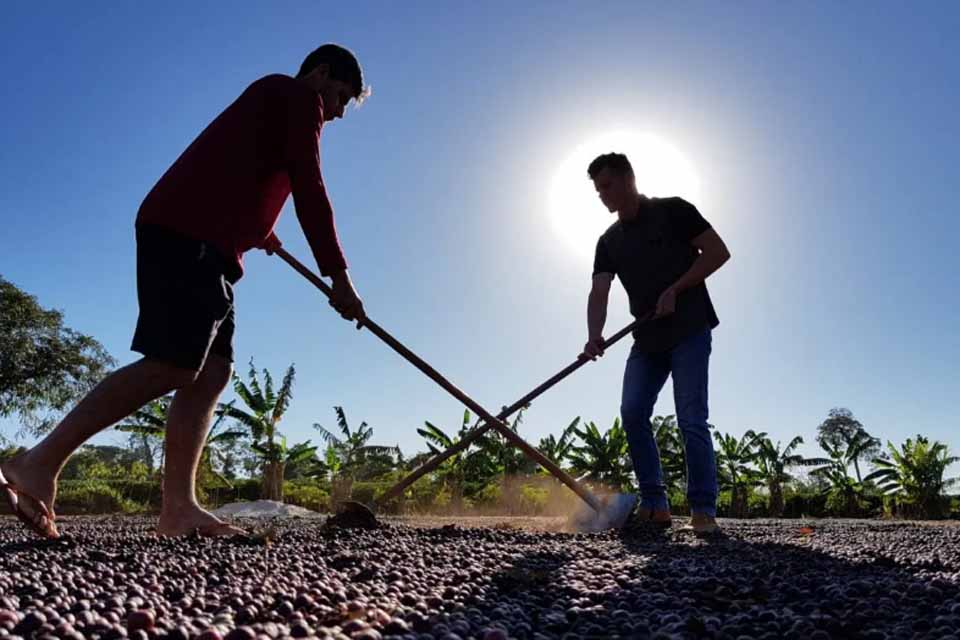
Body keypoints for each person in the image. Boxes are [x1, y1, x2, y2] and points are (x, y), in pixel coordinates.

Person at [0, 44, 369, 539]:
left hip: (207, 242)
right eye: (341, 96)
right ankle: (38, 463)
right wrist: (338, 275)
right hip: (186, 234)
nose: (340, 111)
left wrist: (262, 229)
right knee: (175, 361)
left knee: (213, 370)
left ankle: (179, 509)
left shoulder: (272, 101)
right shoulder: (295, 96)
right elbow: (309, 184)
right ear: (321, 73)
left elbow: (239, 168)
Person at [581, 152, 730, 534]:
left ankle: (702, 509)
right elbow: (600, 290)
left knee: (691, 418)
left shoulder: (674, 210)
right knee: (632, 412)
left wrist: (676, 288)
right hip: (647, 339)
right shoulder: (608, 240)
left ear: (629, 178)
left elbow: (717, 252)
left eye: (608, 186)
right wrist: (594, 335)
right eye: (598, 190)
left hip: (690, 329)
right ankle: (655, 504)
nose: (603, 196)